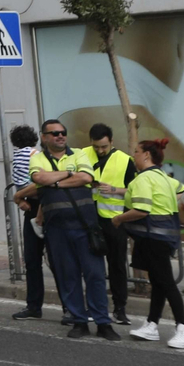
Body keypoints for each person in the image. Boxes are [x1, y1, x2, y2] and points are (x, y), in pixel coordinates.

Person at [15, 119, 115, 339]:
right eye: (54, 133)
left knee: (95, 275)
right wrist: (71, 174)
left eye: (63, 132)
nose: (60, 136)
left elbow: (87, 177)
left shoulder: (79, 154)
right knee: (68, 276)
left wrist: (56, 181)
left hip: (85, 225)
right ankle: (79, 321)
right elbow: (39, 177)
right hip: (57, 228)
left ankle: (103, 323)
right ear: (44, 137)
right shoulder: (37, 158)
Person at [119, 138, 184, 348]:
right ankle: (152, 324)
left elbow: (141, 210)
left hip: (153, 237)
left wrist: (118, 219)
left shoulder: (142, 179)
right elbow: (180, 189)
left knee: (166, 283)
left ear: (146, 155)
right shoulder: (163, 177)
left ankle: (183, 329)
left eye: (136, 151)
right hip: (164, 237)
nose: (134, 155)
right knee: (159, 283)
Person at [80, 123, 133, 324]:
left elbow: (134, 190)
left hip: (114, 221)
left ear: (112, 141)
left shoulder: (125, 160)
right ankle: (94, 307)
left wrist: (115, 190)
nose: (100, 150)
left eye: (104, 146)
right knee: (93, 267)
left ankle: (120, 309)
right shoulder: (82, 155)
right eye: (96, 147)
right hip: (89, 219)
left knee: (117, 265)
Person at [7, 124, 45, 320]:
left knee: (32, 261)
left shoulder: (19, 157)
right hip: (45, 205)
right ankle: (69, 307)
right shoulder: (37, 155)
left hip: (33, 206)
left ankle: (34, 305)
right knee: (57, 262)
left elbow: (25, 184)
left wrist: (19, 198)